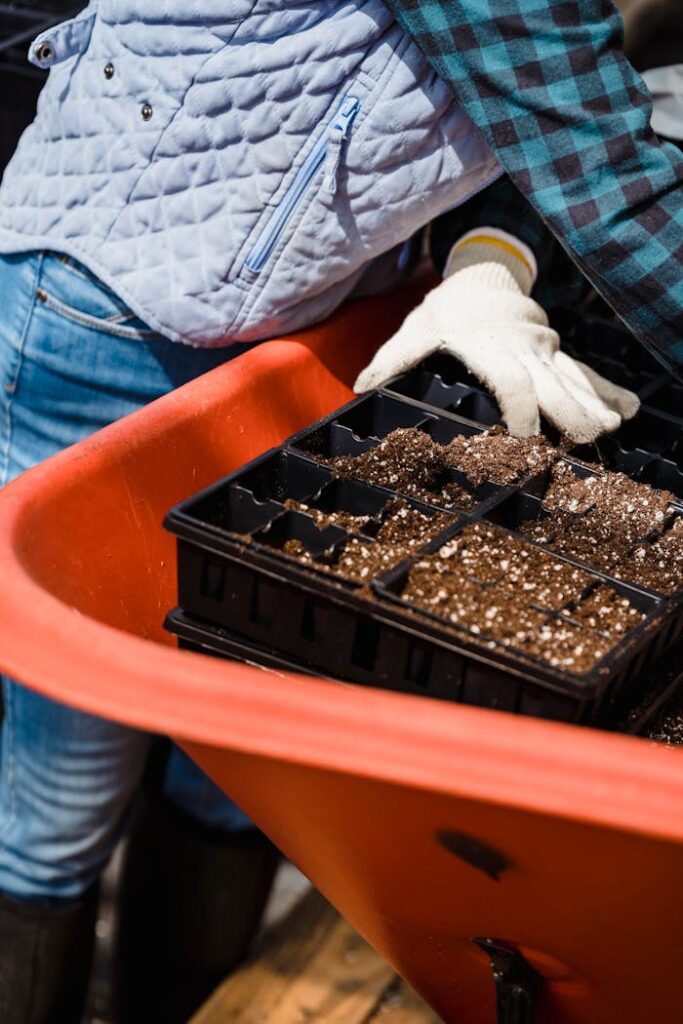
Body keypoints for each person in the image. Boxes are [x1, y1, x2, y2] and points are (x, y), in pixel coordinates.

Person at [0, 2, 680, 1022]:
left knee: (234, 765)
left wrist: (486, 257)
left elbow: (539, 108)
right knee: (60, 798)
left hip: (305, 313)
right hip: (116, 306)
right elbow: (601, 170)